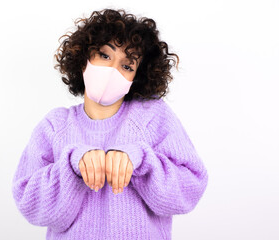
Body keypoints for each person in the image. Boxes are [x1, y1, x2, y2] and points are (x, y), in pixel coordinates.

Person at [11, 8, 209, 240]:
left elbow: (190, 188)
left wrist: (142, 160)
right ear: (84, 57)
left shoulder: (153, 116)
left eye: (127, 66)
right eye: (104, 56)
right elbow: (30, 204)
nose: (112, 70)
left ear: (137, 77)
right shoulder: (55, 126)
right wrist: (72, 164)